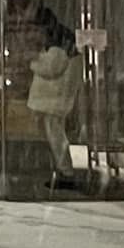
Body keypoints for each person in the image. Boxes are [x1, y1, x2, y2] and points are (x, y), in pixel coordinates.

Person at [27, 25, 83, 185]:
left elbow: (49, 69)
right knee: (56, 137)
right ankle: (63, 170)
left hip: (54, 102)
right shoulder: (66, 53)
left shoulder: (58, 53)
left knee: (56, 138)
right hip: (56, 101)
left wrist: (32, 61)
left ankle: (65, 171)